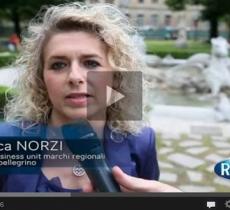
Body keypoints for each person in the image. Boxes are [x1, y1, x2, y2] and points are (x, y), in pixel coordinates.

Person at [0, 2, 180, 192]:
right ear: (41, 78)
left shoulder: (142, 142)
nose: (75, 77)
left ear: (116, 75)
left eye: (91, 63)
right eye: (58, 65)